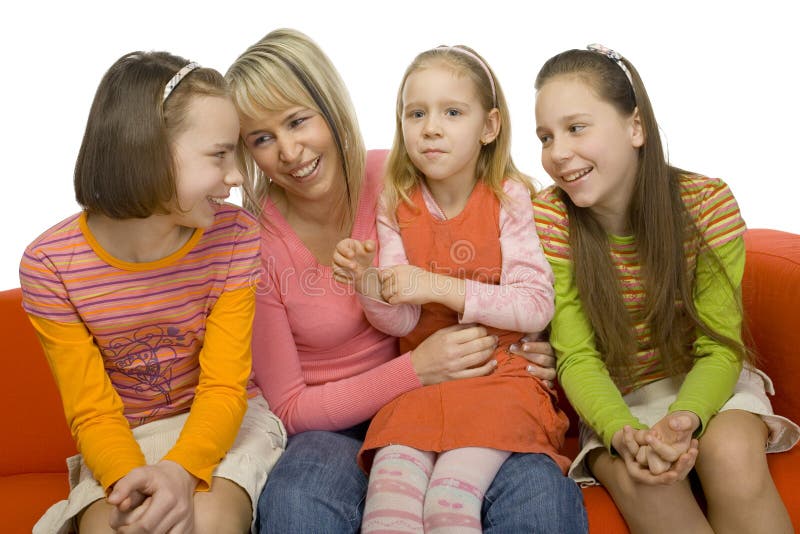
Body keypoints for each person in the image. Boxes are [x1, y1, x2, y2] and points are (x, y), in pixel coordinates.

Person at [225, 28, 587, 533]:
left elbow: (506, 266)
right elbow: (288, 405)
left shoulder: (399, 177)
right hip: (338, 421)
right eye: (261, 138)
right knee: (297, 507)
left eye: (297, 121)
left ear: (330, 107)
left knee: (541, 502)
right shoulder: (252, 242)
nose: (288, 151)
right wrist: (415, 367)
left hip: (470, 388)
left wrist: (531, 347)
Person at [533, 44, 800, 534]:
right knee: (649, 481)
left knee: (732, 451)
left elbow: (720, 346)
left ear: (635, 127)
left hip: (705, 380)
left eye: (576, 128)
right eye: (545, 137)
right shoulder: (550, 217)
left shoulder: (705, 203)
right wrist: (622, 432)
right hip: (619, 399)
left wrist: (685, 419)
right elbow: (575, 355)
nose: (558, 153)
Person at [19, 51, 286, 534]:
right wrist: (131, 476)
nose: (236, 177)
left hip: (225, 424)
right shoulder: (49, 265)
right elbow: (93, 412)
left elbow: (224, 386)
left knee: (206, 522)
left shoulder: (235, 235)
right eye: (220, 154)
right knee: (120, 525)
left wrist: (180, 473)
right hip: (123, 442)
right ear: (150, 151)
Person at [331, 44, 572, 533]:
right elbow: (402, 320)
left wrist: (437, 285)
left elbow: (535, 305)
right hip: (424, 384)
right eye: (415, 113)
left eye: (452, 112)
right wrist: (371, 285)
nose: (430, 127)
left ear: (489, 126)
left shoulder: (510, 197)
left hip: (500, 380)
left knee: (448, 502)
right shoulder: (397, 202)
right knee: (387, 504)